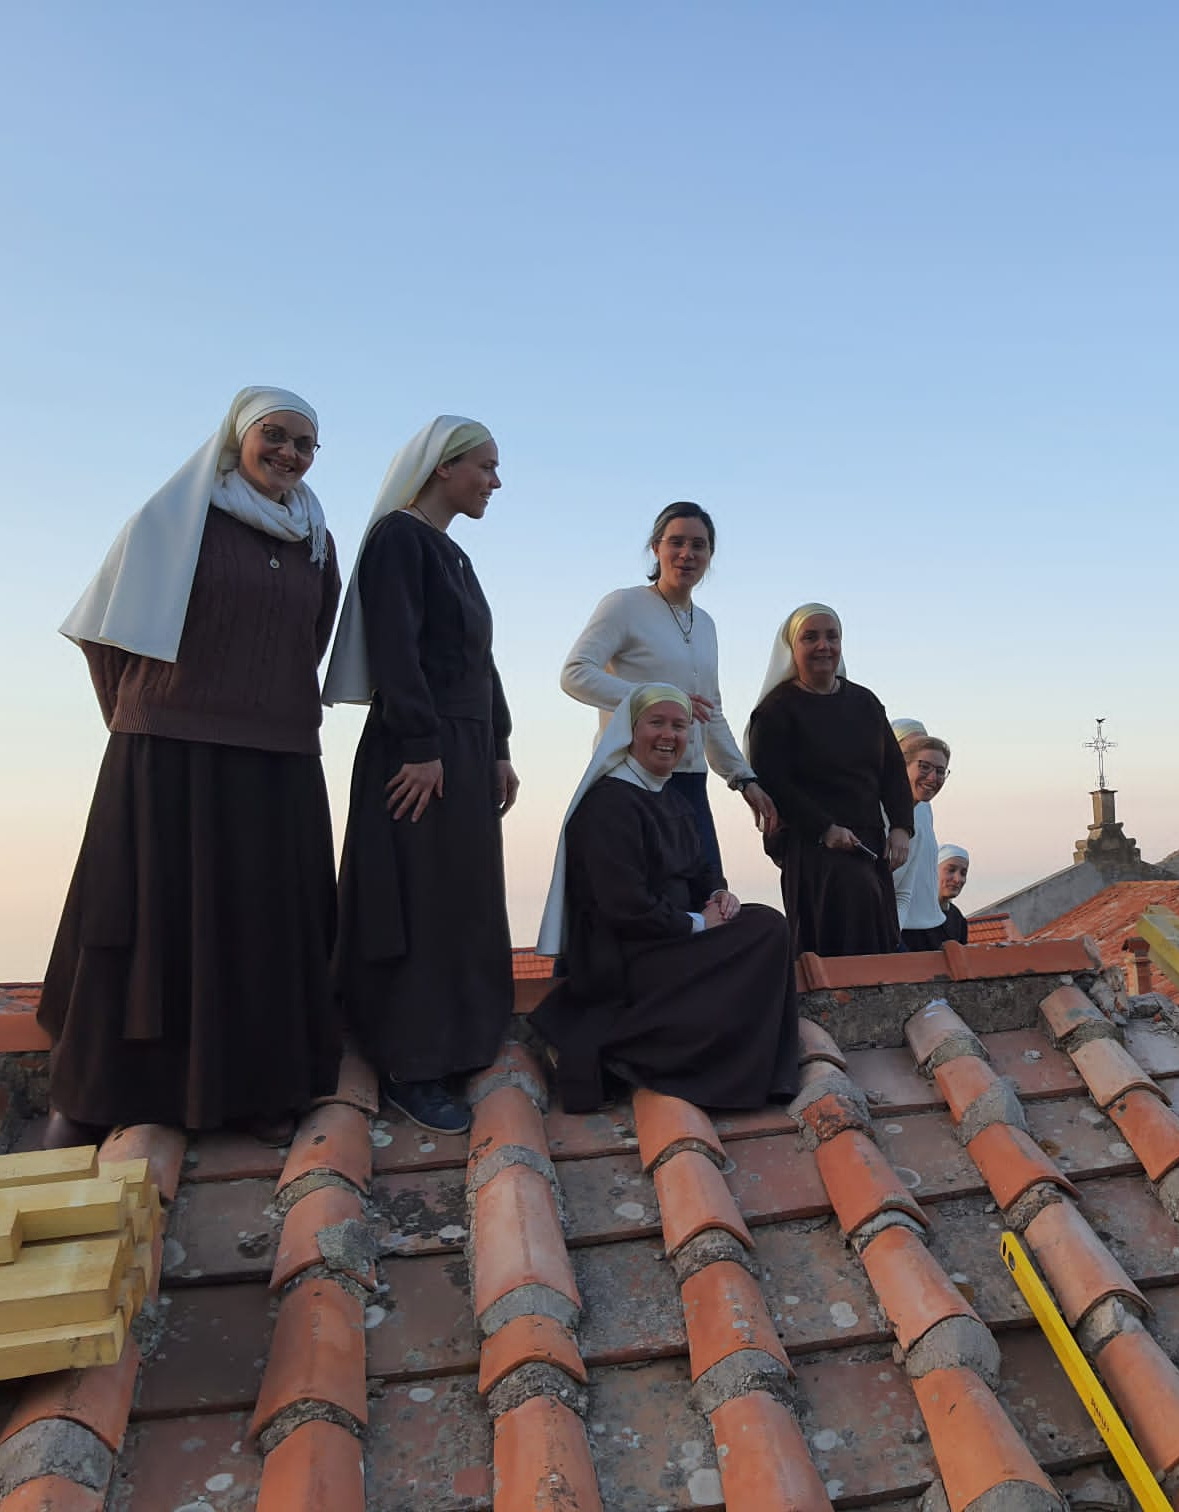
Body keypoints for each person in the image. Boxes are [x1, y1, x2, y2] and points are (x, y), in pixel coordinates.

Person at [41, 387, 341, 1146]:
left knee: (264, 924)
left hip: (276, 756)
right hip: (169, 751)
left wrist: (263, 701)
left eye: (306, 445)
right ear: (237, 436)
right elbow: (106, 632)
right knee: (145, 916)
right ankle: (99, 1094)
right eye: (275, 436)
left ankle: (260, 1092)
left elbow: (311, 636)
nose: (290, 454)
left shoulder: (317, 538)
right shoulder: (175, 520)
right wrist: (147, 714)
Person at [323, 417, 519, 1136]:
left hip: (462, 751)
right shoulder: (398, 539)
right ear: (443, 466)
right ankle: (411, 1062)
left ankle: (463, 1041)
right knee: (413, 898)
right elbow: (396, 651)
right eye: (486, 467)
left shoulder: (453, 555)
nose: (495, 482)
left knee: (458, 898)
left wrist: (497, 744)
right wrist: (420, 744)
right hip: (419, 750)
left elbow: (480, 663)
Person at [532, 683, 800, 1112]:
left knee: (767, 925)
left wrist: (718, 895)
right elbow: (624, 906)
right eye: (657, 723)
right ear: (630, 731)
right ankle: (630, 1053)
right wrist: (698, 924)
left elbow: (700, 869)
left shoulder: (669, 797)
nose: (669, 735)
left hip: (668, 937)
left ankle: (756, 1070)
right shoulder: (608, 804)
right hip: (626, 954)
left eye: (679, 726)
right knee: (767, 932)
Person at [559, 502, 778, 875]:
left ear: (710, 554)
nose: (687, 554)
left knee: (707, 895)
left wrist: (743, 779)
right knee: (648, 900)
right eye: (676, 542)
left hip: (691, 783)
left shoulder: (706, 624)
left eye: (699, 545)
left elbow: (712, 712)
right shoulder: (624, 605)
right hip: (633, 778)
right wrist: (657, 700)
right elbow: (575, 673)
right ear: (655, 547)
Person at [745, 604, 914, 958]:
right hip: (813, 848)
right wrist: (825, 828)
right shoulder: (776, 711)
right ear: (793, 648)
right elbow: (775, 781)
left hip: (867, 840)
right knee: (838, 939)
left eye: (831, 636)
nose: (824, 645)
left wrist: (901, 826)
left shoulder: (865, 702)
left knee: (879, 932)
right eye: (811, 637)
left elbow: (893, 770)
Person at [894, 732, 954, 950]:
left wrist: (893, 935)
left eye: (940, 771)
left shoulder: (918, 817)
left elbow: (903, 891)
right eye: (924, 767)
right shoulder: (874, 814)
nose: (932, 778)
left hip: (895, 931)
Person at [936, 844, 972, 946]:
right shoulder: (914, 914)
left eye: (963, 873)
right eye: (951, 870)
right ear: (932, 870)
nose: (958, 879)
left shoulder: (957, 918)